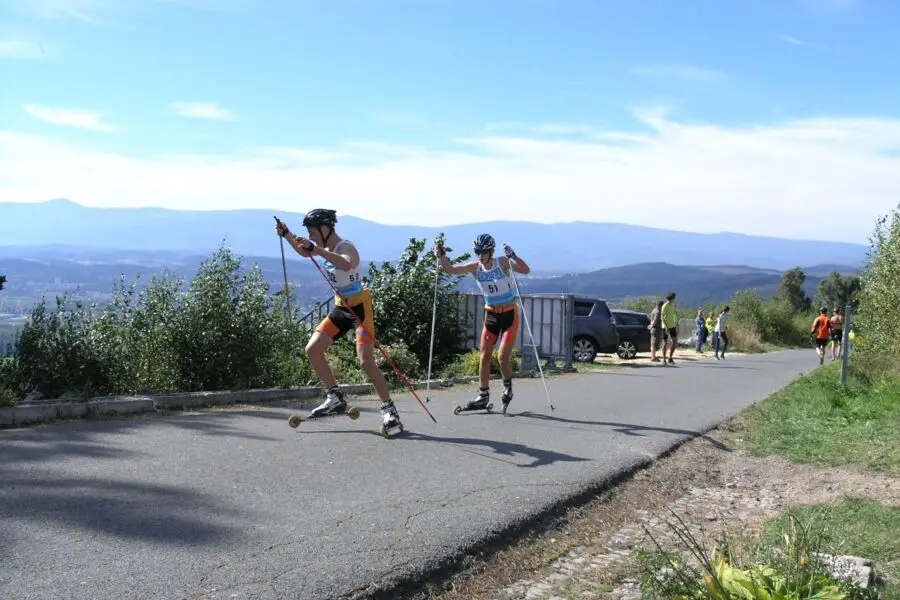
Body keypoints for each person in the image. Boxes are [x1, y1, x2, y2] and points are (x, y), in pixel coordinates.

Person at [275, 209, 402, 431]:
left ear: (325, 229)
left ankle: (389, 410)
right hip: (342, 308)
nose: (310, 235)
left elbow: (345, 263)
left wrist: (317, 249)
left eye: (312, 231)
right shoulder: (322, 247)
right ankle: (335, 397)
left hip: (360, 309)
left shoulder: (345, 247)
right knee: (313, 349)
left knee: (365, 362)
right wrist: (287, 233)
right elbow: (305, 252)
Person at [437, 234, 531, 412]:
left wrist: (513, 256)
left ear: (491, 251)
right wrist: (441, 256)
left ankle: (507, 386)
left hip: (510, 314)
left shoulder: (502, 262)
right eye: (477, 252)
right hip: (491, 315)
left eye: (483, 252)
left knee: (502, 357)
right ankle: (483, 394)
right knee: (485, 355)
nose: (480, 255)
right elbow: (451, 270)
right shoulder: (475, 267)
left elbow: (525, 270)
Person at [661, 292, 678, 364]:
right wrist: (666, 326)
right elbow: (662, 317)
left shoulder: (671, 305)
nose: (675, 299)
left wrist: (675, 325)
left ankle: (670, 357)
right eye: (674, 298)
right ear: (672, 298)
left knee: (675, 342)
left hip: (672, 326)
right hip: (666, 327)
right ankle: (664, 359)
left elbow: (673, 316)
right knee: (665, 342)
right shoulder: (665, 305)